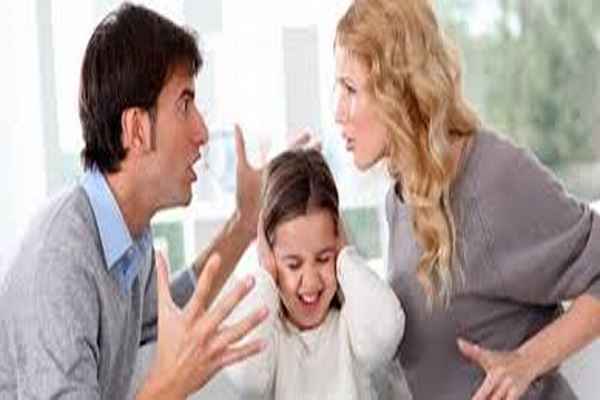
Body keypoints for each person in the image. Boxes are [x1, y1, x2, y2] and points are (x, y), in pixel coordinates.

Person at [332, 0, 600, 399]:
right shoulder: (399, 199)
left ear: (398, 91)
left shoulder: (491, 176)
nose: (338, 111)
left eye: (350, 89)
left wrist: (526, 361)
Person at [0, 4, 270, 399]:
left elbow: (165, 316)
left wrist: (244, 224)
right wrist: (172, 386)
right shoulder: (60, 260)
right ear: (136, 128)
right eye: (185, 104)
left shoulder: (128, 234)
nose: (202, 131)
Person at [222, 149, 408, 399]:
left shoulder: (354, 327)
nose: (310, 282)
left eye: (323, 258)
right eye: (293, 265)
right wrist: (266, 274)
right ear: (269, 254)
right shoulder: (269, 338)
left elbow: (385, 334)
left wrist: (346, 258)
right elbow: (246, 378)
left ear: (338, 242)